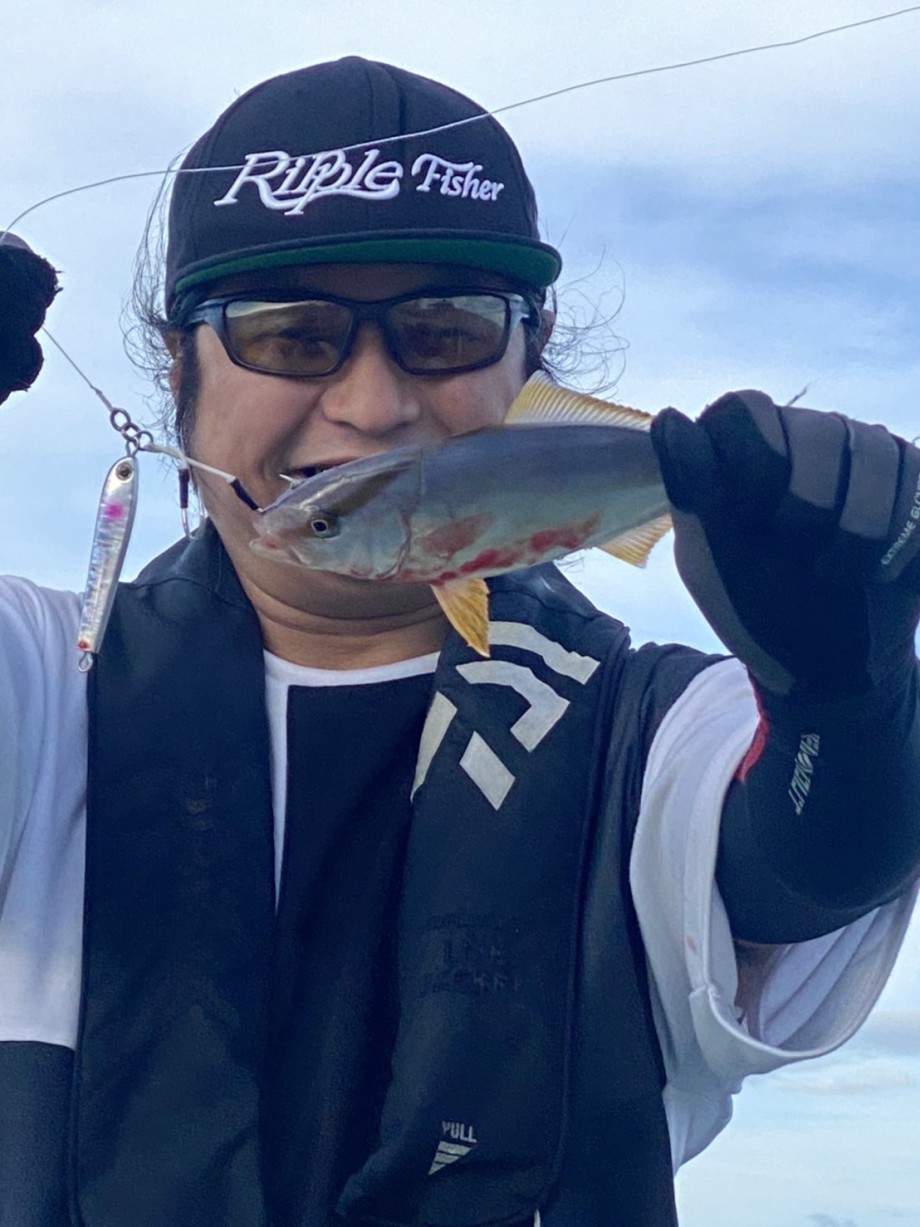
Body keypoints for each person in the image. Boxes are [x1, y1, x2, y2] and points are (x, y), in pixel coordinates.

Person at [2, 56, 919, 1227]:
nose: (374, 404)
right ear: (179, 368)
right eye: (290, 335)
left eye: (443, 332)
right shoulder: (44, 677)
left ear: (527, 365)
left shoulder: (655, 732)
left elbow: (808, 866)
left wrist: (844, 702)